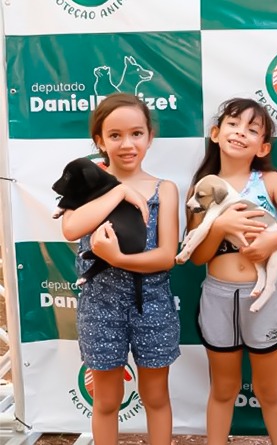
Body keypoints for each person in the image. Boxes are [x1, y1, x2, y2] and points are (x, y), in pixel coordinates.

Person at [187, 98, 277, 445]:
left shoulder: (271, 181)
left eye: (252, 128)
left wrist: (271, 243)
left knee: (269, 390)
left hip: (266, 297)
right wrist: (219, 227)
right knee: (223, 389)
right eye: (233, 124)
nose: (240, 132)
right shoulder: (203, 186)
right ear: (216, 134)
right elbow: (198, 257)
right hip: (218, 297)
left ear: (263, 146)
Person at [60, 93, 181, 445]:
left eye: (136, 133)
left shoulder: (165, 189)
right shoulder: (86, 183)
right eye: (115, 135)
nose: (127, 144)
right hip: (99, 306)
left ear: (149, 137)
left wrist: (118, 259)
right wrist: (119, 192)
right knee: (106, 400)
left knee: (156, 397)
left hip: (153, 303)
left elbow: (166, 256)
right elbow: (71, 228)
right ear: (99, 140)